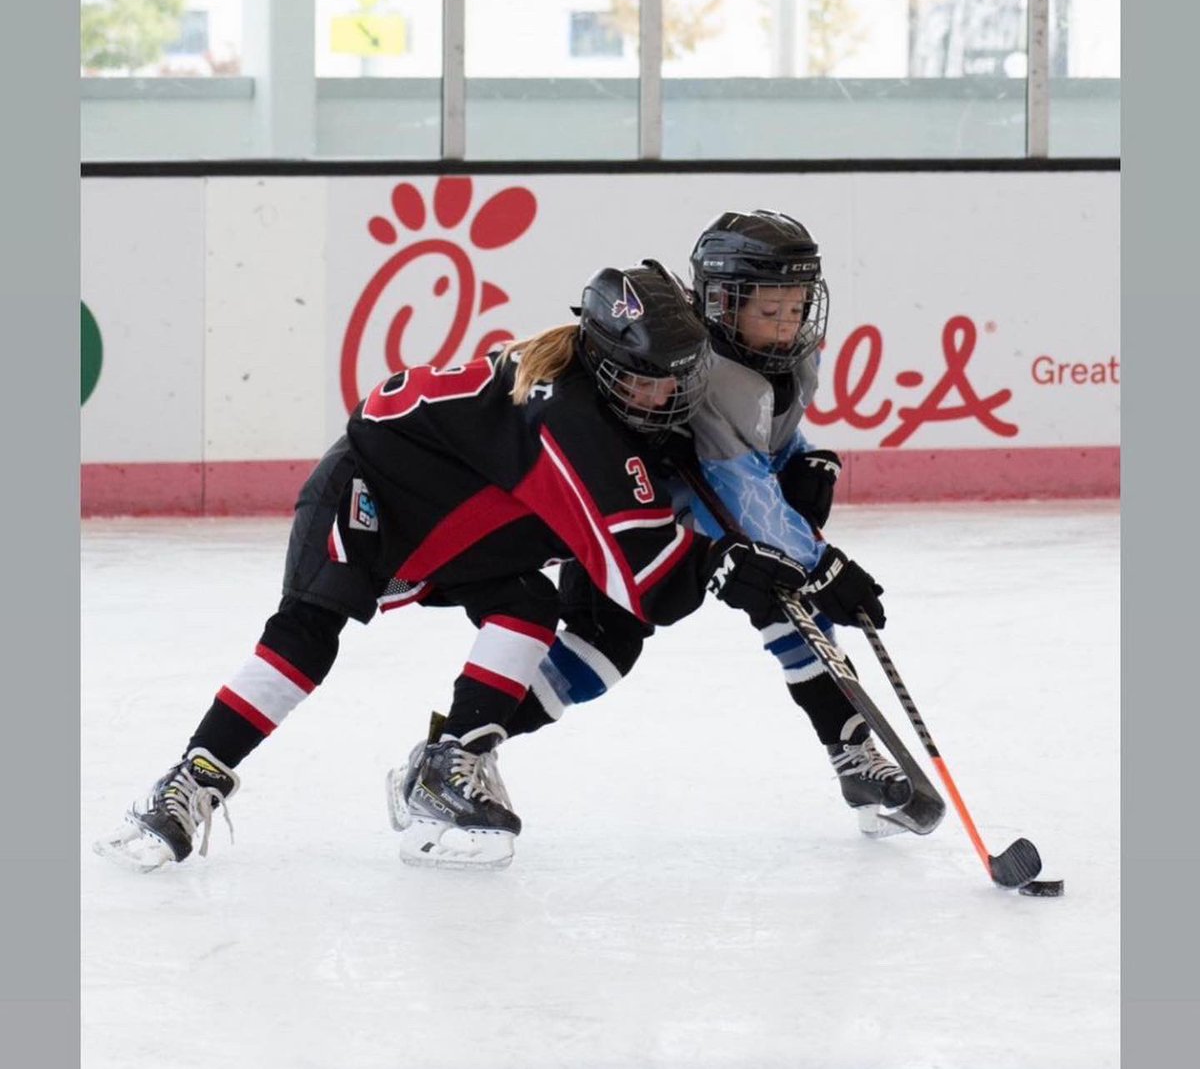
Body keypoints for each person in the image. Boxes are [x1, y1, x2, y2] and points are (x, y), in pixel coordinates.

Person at [94, 260, 825, 872]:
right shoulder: (573, 422)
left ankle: (451, 763)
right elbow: (654, 589)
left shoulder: (608, 400)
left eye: (680, 377)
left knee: (531, 608)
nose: (668, 396)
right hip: (373, 494)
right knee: (307, 635)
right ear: (605, 369)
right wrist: (733, 561)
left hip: (465, 526)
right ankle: (190, 779)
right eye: (648, 381)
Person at [393, 211, 909, 856]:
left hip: (681, 529)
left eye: (796, 307)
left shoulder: (784, 359)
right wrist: (822, 561)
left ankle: (853, 753)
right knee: (641, 640)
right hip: (628, 526)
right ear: (721, 302)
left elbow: (761, 441)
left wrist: (803, 456)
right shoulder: (712, 365)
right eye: (768, 311)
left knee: (668, 634)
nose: (786, 325)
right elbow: (741, 483)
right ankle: (450, 754)